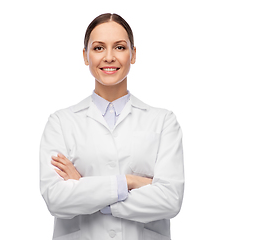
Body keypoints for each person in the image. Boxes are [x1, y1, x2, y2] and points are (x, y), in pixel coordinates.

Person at [39, 13, 184, 240]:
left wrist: (83, 187)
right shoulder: (61, 123)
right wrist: (129, 182)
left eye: (119, 47)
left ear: (133, 54)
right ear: (85, 56)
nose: (109, 57)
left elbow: (170, 200)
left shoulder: (163, 122)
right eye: (98, 48)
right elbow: (56, 200)